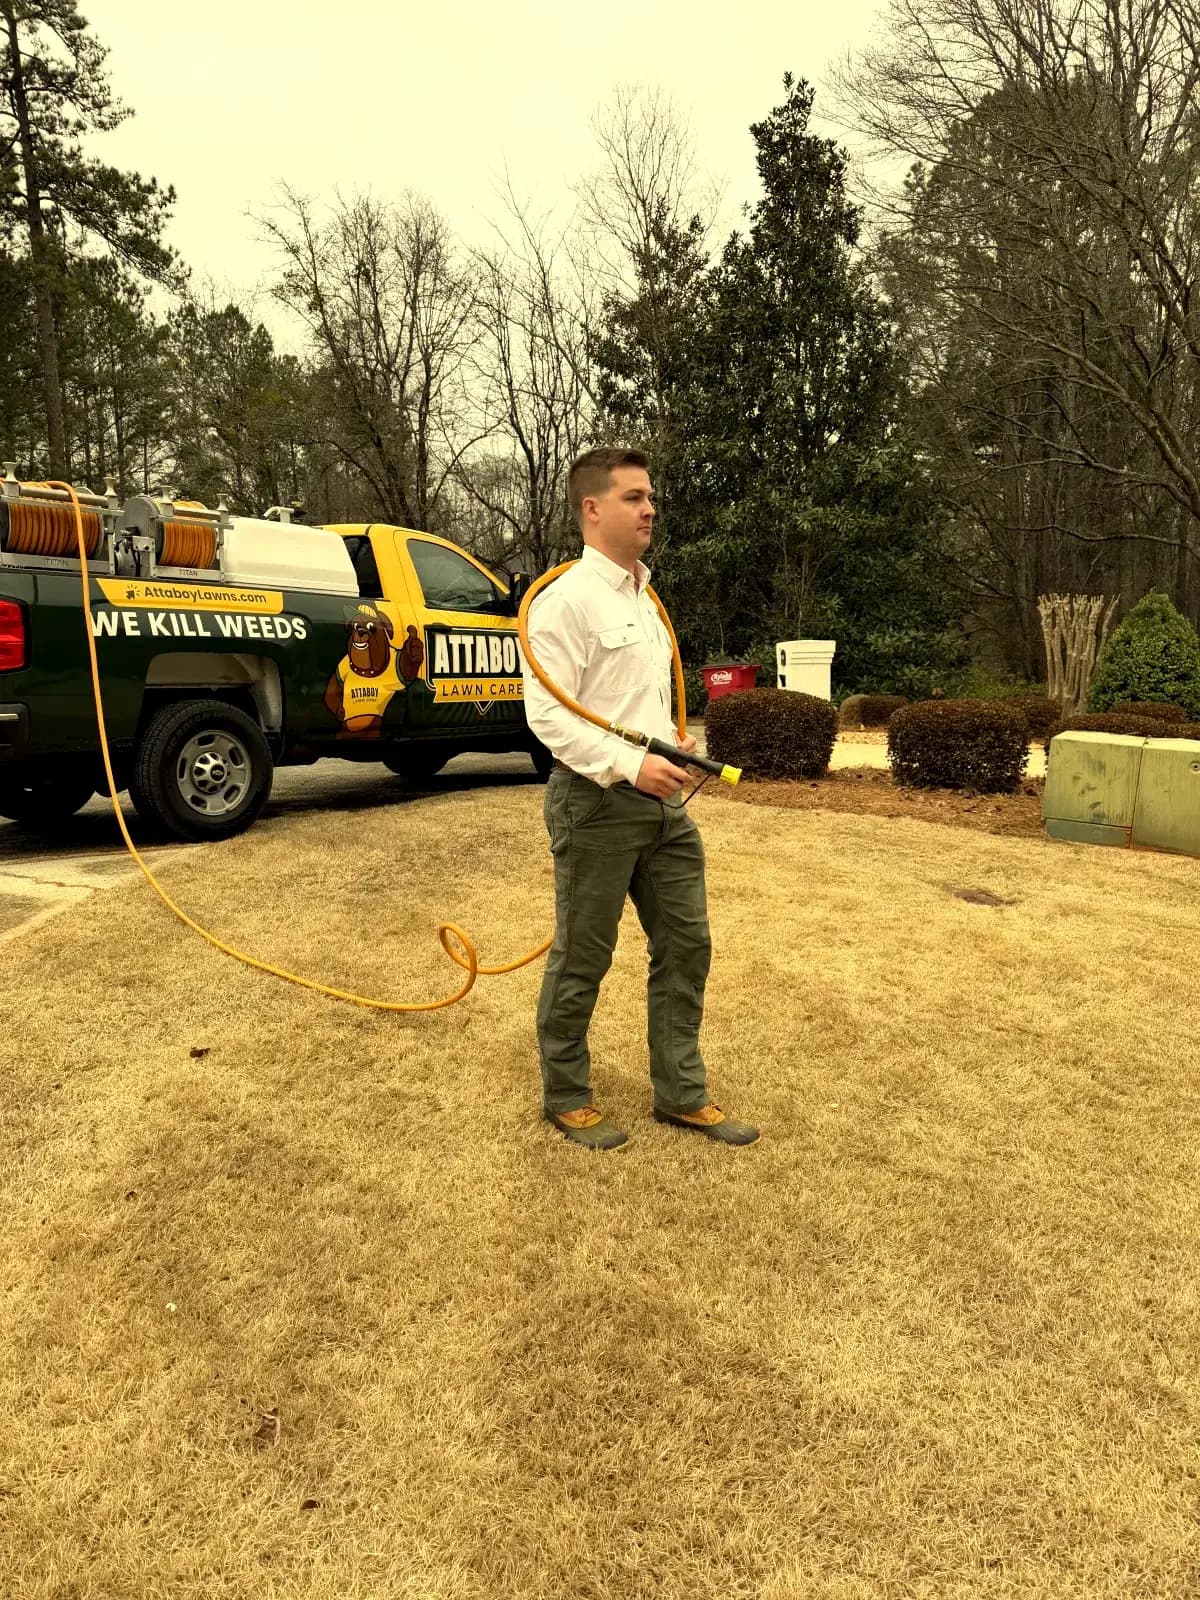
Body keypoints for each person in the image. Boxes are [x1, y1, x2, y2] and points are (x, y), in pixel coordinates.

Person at [521, 446, 759, 1151]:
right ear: (592, 510)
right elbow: (547, 715)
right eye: (633, 497)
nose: (649, 507)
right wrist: (630, 764)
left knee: (688, 944)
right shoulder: (564, 601)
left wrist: (672, 757)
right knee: (583, 955)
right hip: (596, 802)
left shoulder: (646, 598)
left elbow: (642, 701)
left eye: (650, 496)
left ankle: (680, 1094)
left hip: (665, 804)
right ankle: (567, 1095)